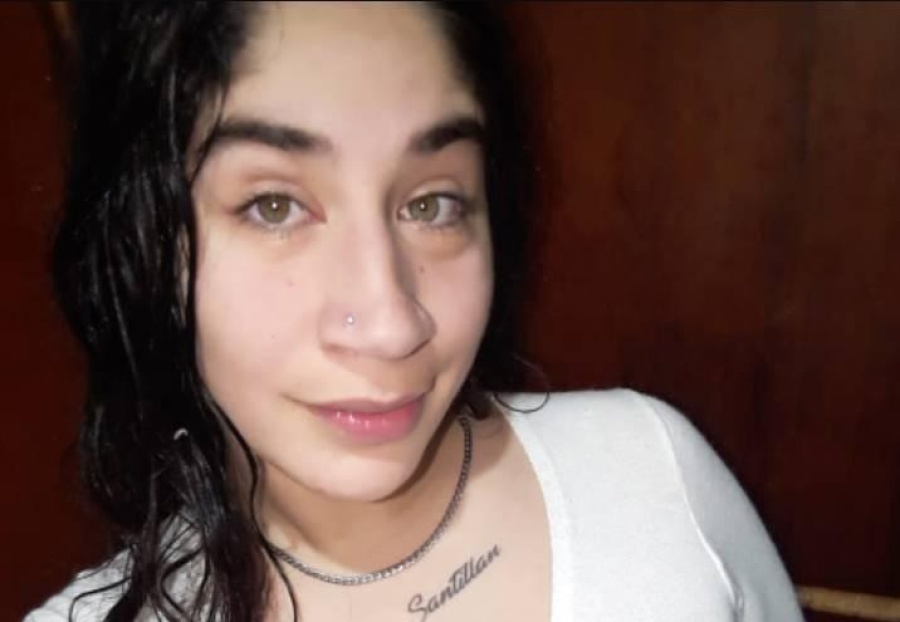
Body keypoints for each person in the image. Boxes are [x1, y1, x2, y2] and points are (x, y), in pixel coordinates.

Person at [28, 2, 804, 621]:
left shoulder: (651, 475)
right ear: (148, 244)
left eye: (431, 204)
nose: (392, 324)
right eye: (274, 206)